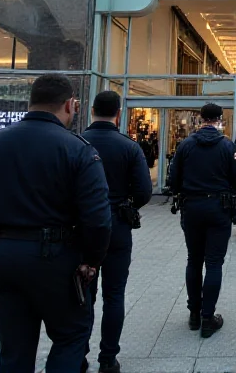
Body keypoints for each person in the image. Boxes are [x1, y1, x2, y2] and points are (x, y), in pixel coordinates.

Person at [0, 73, 111, 373]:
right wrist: (92, 260)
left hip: (3, 254)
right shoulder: (77, 149)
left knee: (14, 347)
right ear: (70, 105)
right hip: (57, 257)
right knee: (70, 338)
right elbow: (97, 218)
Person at [82, 91, 152, 373]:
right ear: (119, 113)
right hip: (117, 225)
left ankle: (77, 353)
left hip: (82, 227)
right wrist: (126, 204)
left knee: (83, 292)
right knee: (114, 293)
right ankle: (108, 358)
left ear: (91, 110)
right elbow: (145, 192)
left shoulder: (78, 143)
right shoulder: (128, 146)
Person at [168, 103, 236, 338]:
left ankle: (194, 313)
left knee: (194, 260)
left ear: (201, 119)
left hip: (192, 206)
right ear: (219, 119)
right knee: (214, 263)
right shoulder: (227, 145)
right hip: (219, 207)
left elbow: (173, 179)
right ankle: (208, 317)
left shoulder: (186, 144)